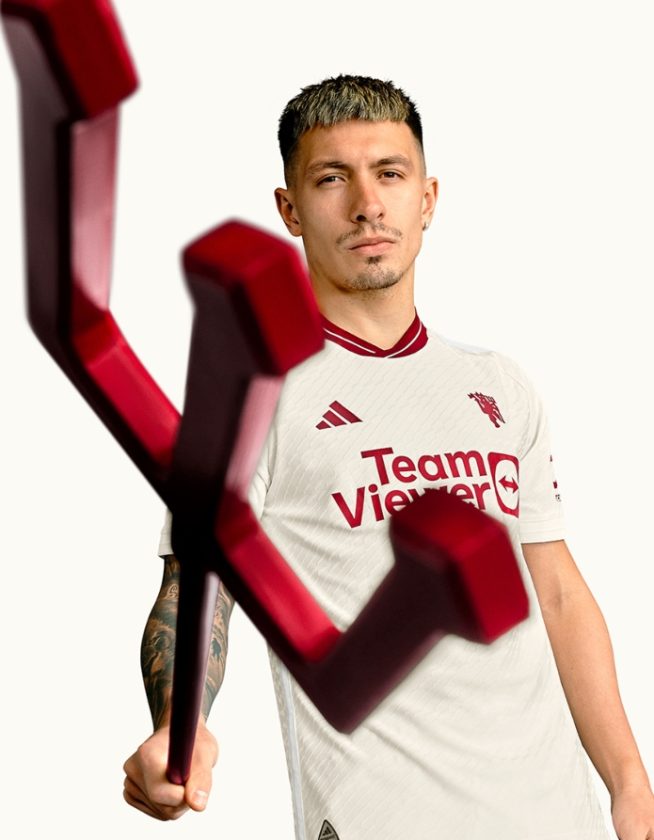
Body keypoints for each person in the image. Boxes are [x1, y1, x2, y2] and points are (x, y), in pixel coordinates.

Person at [123, 75, 654, 839]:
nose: (367, 204)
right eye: (331, 178)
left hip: (557, 819)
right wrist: (179, 731)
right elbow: (196, 593)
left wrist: (630, 784)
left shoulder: (500, 385)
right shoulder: (245, 399)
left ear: (428, 199)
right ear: (290, 210)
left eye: (390, 173)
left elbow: (560, 595)